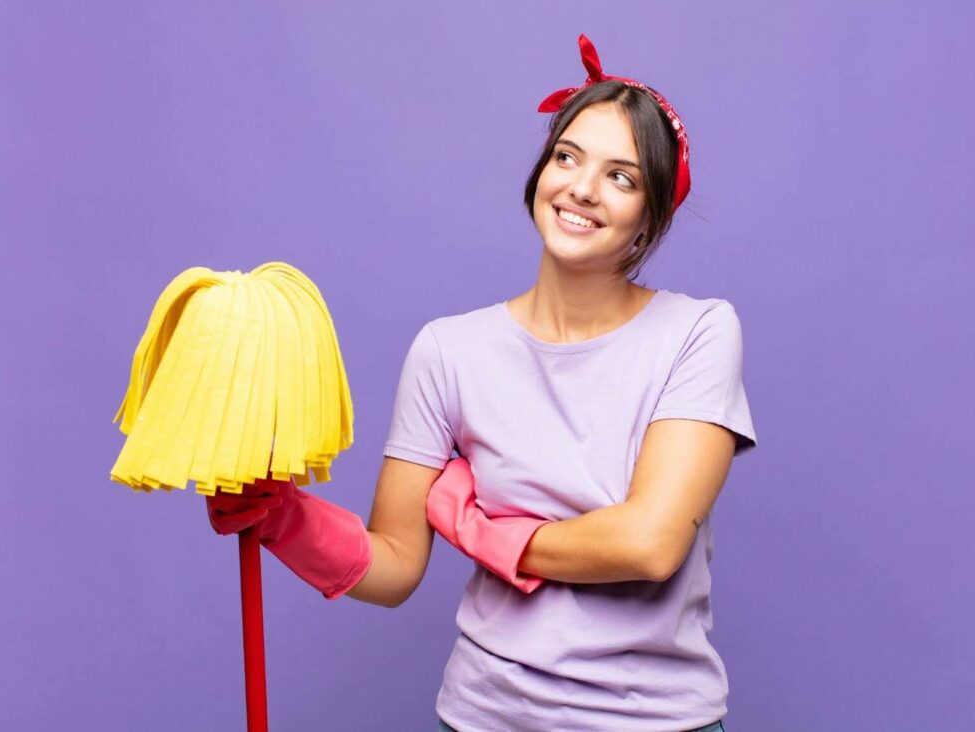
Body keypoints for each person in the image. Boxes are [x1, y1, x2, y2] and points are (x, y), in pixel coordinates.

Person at [208, 35, 756, 732]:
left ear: (650, 218)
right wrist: (280, 516)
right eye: (567, 157)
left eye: (621, 176)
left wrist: (484, 531)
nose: (582, 188)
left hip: (656, 723)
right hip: (484, 718)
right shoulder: (449, 351)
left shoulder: (699, 333)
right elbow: (395, 564)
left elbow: (649, 545)